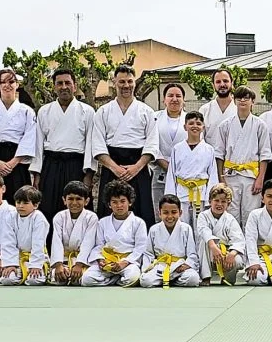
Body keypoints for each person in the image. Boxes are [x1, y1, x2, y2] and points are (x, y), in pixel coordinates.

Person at [91, 65, 159, 223]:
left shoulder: (147, 111)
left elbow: (152, 143)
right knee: (109, 212)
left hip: (138, 167)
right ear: (114, 82)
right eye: (121, 81)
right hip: (111, 167)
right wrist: (115, 168)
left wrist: (136, 167)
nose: (126, 85)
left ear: (134, 82)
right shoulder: (103, 111)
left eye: (130, 81)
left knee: (141, 212)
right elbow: (98, 144)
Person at [31, 69, 95, 225]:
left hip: (76, 165)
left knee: (76, 208)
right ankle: (49, 240)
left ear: (75, 86)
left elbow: (91, 144)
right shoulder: (44, 111)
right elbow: (38, 144)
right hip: (51, 165)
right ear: (54, 87)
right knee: (48, 207)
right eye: (59, 83)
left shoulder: (87, 111)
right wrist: (37, 174)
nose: (64, 87)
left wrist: (88, 175)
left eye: (68, 83)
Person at [0, 69, 37, 207]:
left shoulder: (27, 111)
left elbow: (29, 138)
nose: (7, 85)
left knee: (18, 200)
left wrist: (13, 163)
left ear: (17, 84)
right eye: (3, 82)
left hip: (17, 160)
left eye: (11, 81)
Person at [214, 86, 271, 227]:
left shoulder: (260, 125)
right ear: (234, 100)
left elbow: (264, 154)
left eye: (246, 98)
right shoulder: (225, 125)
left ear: (253, 101)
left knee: (250, 214)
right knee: (230, 214)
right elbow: (219, 154)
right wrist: (221, 179)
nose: (243, 101)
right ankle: (231, 240)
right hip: (230, 175)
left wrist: (260, 179)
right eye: (239, 98)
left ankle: (250, 241)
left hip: (251, 176)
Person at [79, 180, 147, 287]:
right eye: (114, 202)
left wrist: (125, 262)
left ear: (130, 202)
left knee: (132, 278)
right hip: (108, 261)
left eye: (122, 201)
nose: (119, 205)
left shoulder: (138, 223)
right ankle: (115, 279)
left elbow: (140, 248)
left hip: (127, 262)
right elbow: (99, 245)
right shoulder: (103, 222)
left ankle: (112, 279)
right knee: (87, 279)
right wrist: (100, 260)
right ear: (109, 204)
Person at [164, 111, 218, 228]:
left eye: (198, 124)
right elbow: (171, 174)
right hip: (182, 192)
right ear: (185, 127)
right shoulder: (177, 148)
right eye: (191, 123)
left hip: (201, 193)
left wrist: (211, 198)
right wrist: (170, 197)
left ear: (203, 127)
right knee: (182, 226)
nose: (195, 126)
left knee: (200, 227)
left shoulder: (209, 149)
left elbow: (213, 174)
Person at [140, 195, 202, 288]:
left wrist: (186, 265)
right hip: (160, 267)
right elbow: (148, 253)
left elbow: (192, 253)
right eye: (165, 213)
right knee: (146, 281)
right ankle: (169, 280)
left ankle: (168, 281)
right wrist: (147, 268)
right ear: (159, 213)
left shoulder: (186, 228)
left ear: (180, 213)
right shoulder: (154, 229)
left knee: (193, 279)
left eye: (174, 212)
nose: (170, 216)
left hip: (179, 267)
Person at [49, 181, 98, 285]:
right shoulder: (59, 217)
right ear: (64, 200)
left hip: (84, 260)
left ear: (86, 201)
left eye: (78, 199)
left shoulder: (91, 217)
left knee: (83, 280)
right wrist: (58, 265)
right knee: (58, 280)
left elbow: (88, 242)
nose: (74, 203)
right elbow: (56, 242)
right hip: (64, 259)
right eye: (70, 199)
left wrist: (79, 264)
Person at [195, 183, 246, 286]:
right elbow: (204, 231)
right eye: (216, 200)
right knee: (204, 241)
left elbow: (238, 240)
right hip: (210, 254)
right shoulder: (203, 216)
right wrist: (213, 247)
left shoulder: (230, 219)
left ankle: (228, 278)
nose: (220, 204)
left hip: (226, 254)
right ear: (210, 201)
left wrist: (232, 254)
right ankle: (206, 277)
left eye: (223, 202)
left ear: (228, 204)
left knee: (236, 260)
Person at [151, 84, 187, 220]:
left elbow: (196, 145)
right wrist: (164, 163)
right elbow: (150, 143)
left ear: (183, 100)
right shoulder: (154, 118)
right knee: (160, 210)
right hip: (159, 169)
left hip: (183, 172)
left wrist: (176, 168)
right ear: (164, 100)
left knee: (181, 212)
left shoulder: (191, 120)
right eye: (170, 95)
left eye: (178, 96)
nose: (174, 99)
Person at [0, 185, 49, 286]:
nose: (21, 206)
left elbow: (38, 243)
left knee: (34, 280)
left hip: (36, 258)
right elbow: (8, 242)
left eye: (25, 203)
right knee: (7, 279)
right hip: (17, 258)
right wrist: (10, 264)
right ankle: (19, 272)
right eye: (18, 202)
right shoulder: (10, 217)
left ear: (35, 205)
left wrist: (36, 265)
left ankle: (37, 272)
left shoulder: (39, 218)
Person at [198, 68, 238, 145]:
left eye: (225, 81)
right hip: (210, 152)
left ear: (232, 83)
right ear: (213, 85)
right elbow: (199, 138)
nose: (222, 84)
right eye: (218, 82)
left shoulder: (239, 108)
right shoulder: (204, 110)